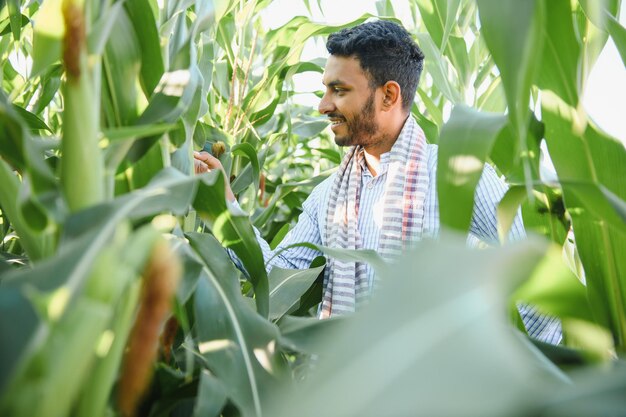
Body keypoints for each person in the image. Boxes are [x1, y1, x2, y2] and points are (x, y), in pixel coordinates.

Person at [194, 20, 561, 344]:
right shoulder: (328, 198)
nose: (323, 106)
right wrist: (223, 205)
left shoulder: (458, 175)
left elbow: (537, 287)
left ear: (388, 95)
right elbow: (277, 274)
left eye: (339, 90)